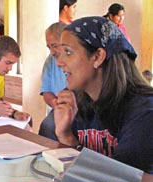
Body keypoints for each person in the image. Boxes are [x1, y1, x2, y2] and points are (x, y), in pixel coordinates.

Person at [54, 16, 153, 173]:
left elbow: (120, 180)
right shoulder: (76, 102)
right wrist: (65, 136)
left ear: (98, 57)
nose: (59, 62)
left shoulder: (144, 113)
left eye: (68, 52)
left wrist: (71, 142)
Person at [38, 22, 67, 141]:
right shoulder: (50, 61)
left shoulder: (78, 59)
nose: (52, 51)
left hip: (80, 109)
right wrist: (55, 104)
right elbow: (46, 91)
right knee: (47, 127)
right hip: (58, 108)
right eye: (49, 47)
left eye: (55, 46)